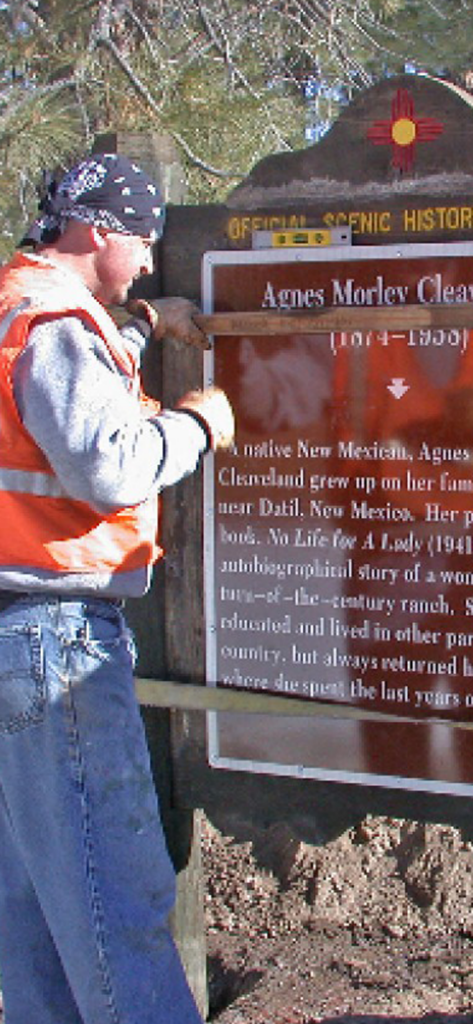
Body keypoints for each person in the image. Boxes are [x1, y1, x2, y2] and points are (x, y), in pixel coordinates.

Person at [0, 153, 234, 1024]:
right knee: (116, 905)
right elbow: (108, 460)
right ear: (97, 230)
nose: (147, 258)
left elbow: (57, 405)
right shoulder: (56, 322)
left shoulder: (17, 303)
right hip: (55, 639)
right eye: (141, 239)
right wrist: (199, 426)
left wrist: (139, 327)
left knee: (38, 920)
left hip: (16, 635)